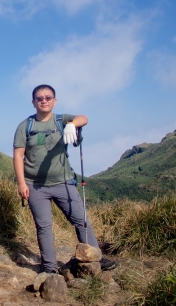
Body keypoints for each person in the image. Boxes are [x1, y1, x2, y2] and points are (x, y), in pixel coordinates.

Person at [13, 84, 117, 274]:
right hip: (35, 186)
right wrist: (21, 183)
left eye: (48, 97)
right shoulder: (25, 126)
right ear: (33, 102)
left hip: (63, 182)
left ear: (54, 100)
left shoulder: (62, 120)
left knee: (81, 220)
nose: (44, 100)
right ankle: (50, 269)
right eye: (39, 98)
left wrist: (72, 124)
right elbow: (18, 155)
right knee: (44, 227)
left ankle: (96, 259)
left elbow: (84, 118)